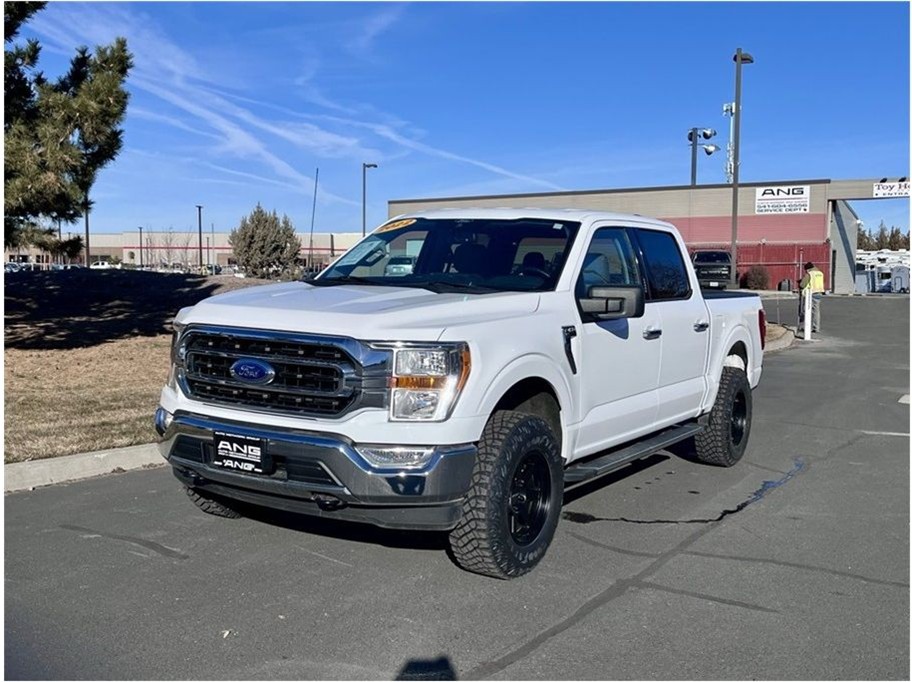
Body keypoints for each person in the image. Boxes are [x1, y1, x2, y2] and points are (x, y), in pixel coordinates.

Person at [799, 261, 825, 333]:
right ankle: (816, 327)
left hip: (810, 293)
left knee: (805, 311)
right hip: (819, 293)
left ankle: (804, 327)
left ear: (808, 269)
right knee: (816, 311)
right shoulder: (820, 273)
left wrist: (800, 282)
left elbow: (802, 285)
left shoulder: (810, 274)